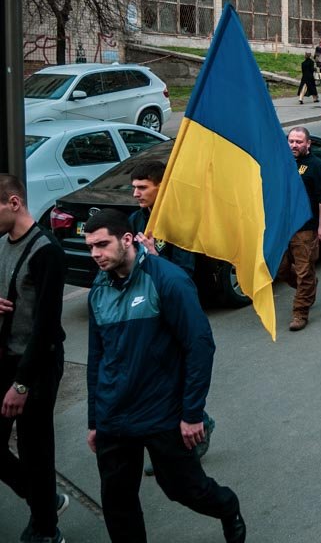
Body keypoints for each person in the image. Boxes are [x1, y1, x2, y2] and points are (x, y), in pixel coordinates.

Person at [83, 209, 245, 543]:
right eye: (90, 247)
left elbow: (200, 346)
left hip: (161, 411)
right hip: (114, 415)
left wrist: (192, 413)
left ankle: (227, 507)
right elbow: (96, 357)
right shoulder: (99, 289)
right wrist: (94, 419)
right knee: (117, 501)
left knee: (184, 489)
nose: (95, 254)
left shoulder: (167, 280)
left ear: (127, 239)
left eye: (102, 244)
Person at [128, 161, 214, 473]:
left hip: (178, 313)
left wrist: (155, 256)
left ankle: (194, 431)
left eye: (142, 187)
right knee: (159, 378)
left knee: (178, 377)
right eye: (134, 187)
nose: (136, 193)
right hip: (148, 311)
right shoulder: (137, 219)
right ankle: (191, 428)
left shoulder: (179, 221)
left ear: (161, 187)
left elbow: (184, 274)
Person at [0, 174, 67, 543]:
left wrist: (22, 384)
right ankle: (43, 500)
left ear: (14, 203)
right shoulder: (1, 243)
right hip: (6, 358)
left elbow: (46, 327)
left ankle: (46, 529)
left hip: (37, 365)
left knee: (34, 448)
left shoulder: (46, 251)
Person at [278, 127, 321, 332]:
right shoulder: (282, 162)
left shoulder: (316, 165)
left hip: (305, 228)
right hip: (283, 227)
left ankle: (300, 312)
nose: (294, 145)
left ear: (308, 144)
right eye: (291, 141)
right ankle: (308, 286)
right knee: (280, 268)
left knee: (304, 271)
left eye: (299, 142)